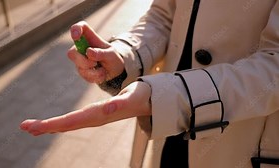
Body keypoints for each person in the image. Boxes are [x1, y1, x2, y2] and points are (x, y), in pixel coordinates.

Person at [20, 0, 279, 167]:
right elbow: (164, 15)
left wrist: (170, 97)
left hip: (241, 146)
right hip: (170, 134)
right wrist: (123, 55)